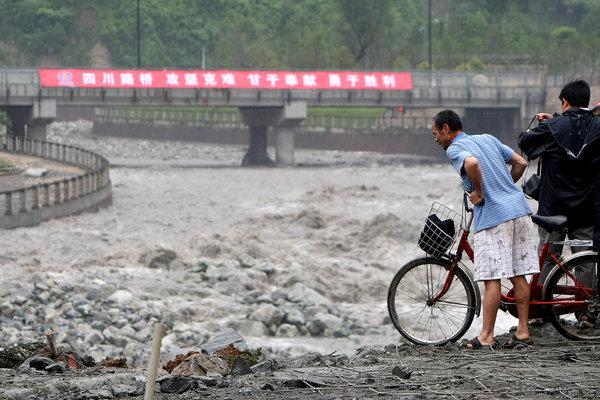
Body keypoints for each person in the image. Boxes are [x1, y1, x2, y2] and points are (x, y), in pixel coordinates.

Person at [431, 109, 539, 349]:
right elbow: (521, 162)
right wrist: (504, 188)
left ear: (447, 129)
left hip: (494, 217)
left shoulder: (455, 149)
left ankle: (486, 336)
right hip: (519, 211)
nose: (436, 138)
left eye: (436, 133)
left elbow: (472, 163)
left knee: (492, 279)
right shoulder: (488, 138)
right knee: (518, 274)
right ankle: (523, 330)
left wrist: (480, 192)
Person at [518, 81, 600, 293]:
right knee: (584, 258)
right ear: (586, 100)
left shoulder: (553, 128)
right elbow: (578, 131)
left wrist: (551, 123)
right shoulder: (597, 127)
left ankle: (540, 307)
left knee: (548, 256)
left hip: (553, 208)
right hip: (586, 208)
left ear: (565, 102)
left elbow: (526, 143)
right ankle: (586, 311)